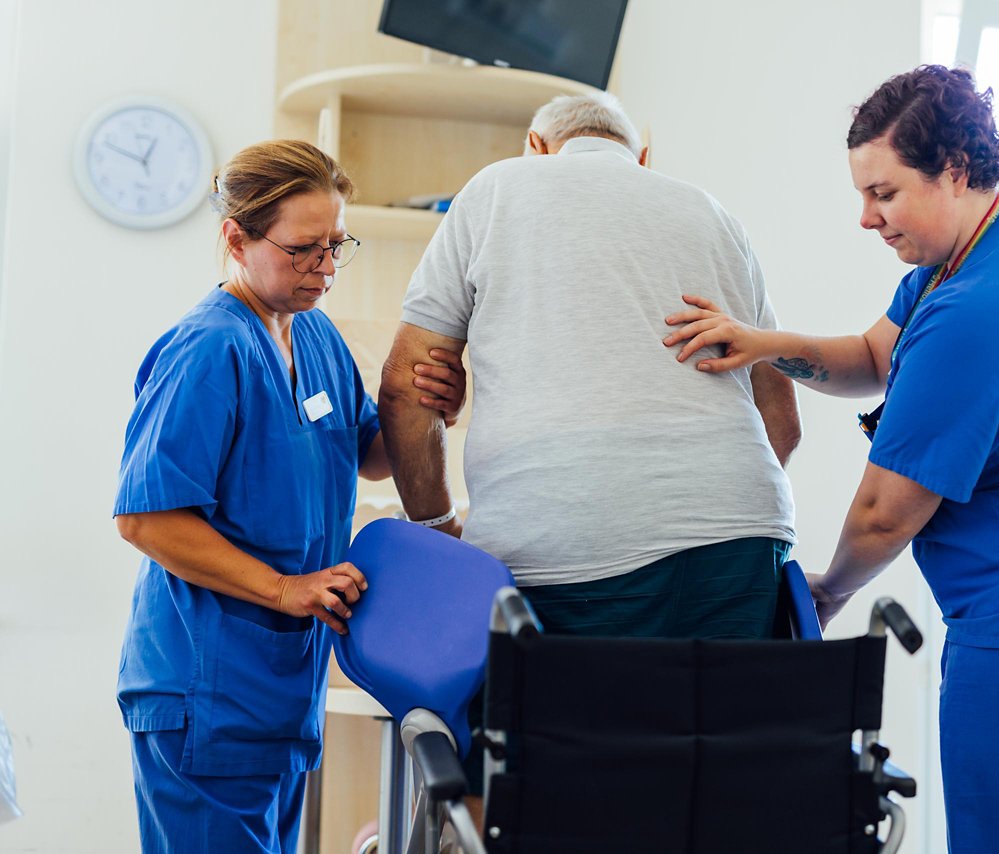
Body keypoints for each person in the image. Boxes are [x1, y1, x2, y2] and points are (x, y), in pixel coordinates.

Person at [662, 65, 999, 853]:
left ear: (953, 169)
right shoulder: (990, 243)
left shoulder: (986, 305)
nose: (867, 218)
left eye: (884, 193)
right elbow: (874, 356)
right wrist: (764, 345)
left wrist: (828, 589)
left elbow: (885, 513)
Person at [112, 140, 463, 853]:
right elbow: (146, 519)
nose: (326, 268)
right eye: (304, 249)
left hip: (276, 690)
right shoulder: (209, 349)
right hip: (205, 688)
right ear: (235, 237)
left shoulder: (317, 336)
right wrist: (283, 588)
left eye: (337, 245)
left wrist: (433, 409)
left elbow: (365, 457)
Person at [381, 92, 801, 641]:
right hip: (740, 543)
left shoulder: (496, 189)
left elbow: (405, 384)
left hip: (557, 538)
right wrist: (709, 501)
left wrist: (437, 527)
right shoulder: (714, 215)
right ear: (642, 156)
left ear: (536, 146)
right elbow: (782, 417)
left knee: (572, 726)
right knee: (716, 724)